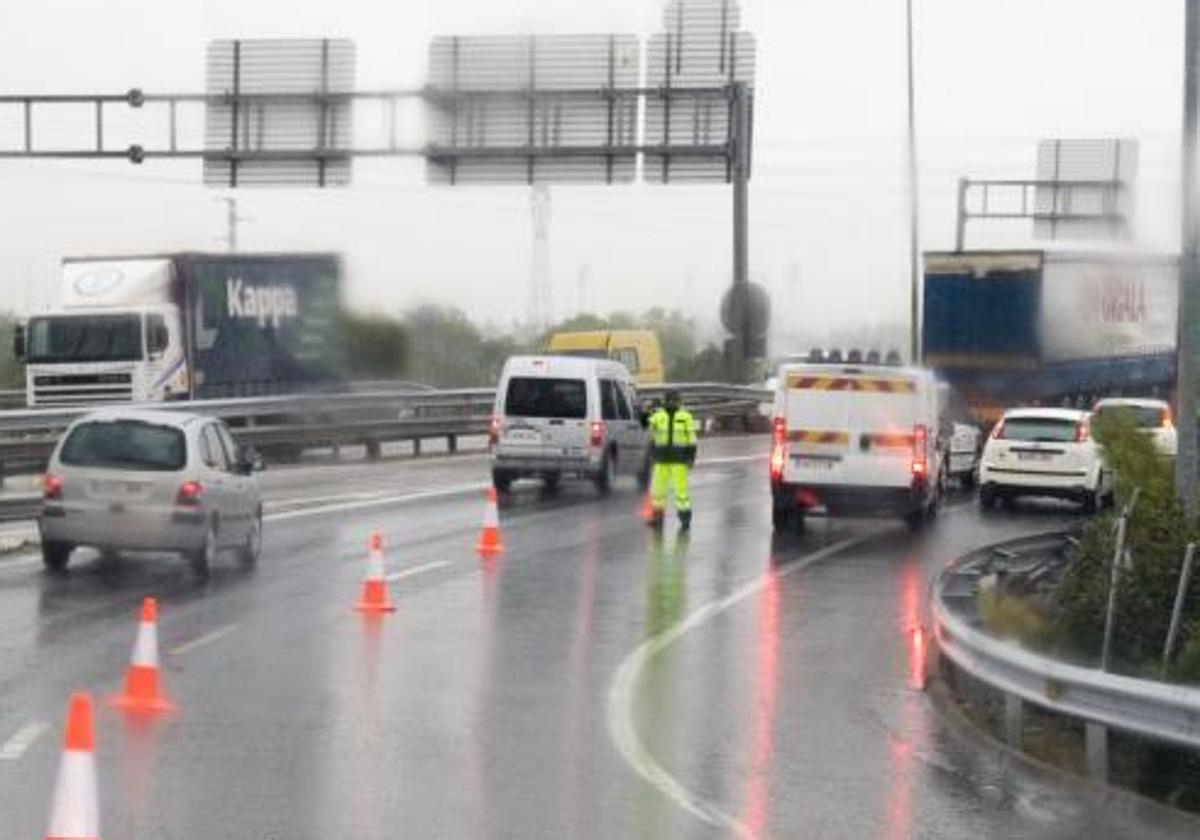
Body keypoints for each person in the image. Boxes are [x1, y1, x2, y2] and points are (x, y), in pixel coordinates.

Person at [647, 389, 697, 530]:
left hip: (677, 460)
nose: (672, 403)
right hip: (662, 459)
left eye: (673, 400)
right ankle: (658, 518)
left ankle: (685, 519)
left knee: (681, 492)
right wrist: (649, 411)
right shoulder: (658, 416)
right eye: (671, 400)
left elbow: (692, 439)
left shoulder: (685, 417)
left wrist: (690, 457)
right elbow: (647, 429)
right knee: (658, 491)